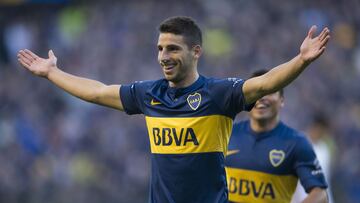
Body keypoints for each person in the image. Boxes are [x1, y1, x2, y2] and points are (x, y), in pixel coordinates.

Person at [17, 16, 330, 203]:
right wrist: (52, 73)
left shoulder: (219, 94)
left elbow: (263, 84)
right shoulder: (148, 94)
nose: (163, 56)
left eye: (172, 48)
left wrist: (300, 60)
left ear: (196, 51)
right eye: (160, 49)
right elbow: (98, 92)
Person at [225, 69, 328, 203]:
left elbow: (320, 194)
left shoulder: (296, 143)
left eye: (270, 91)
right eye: (256, 92)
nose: (261, 97)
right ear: (246, 99)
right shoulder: (227, 133)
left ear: (282, 100)